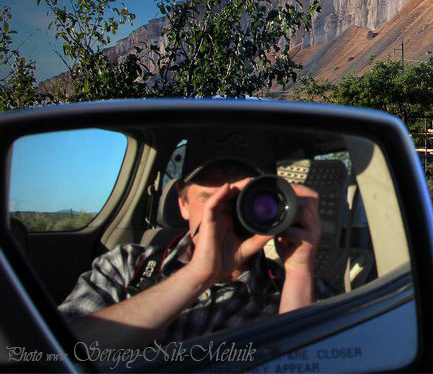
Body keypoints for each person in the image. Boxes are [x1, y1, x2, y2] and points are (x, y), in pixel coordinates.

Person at [59, 130, 323, 347]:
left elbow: (309, 361)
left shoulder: (298, 287)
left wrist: (299, 273)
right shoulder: (125, 266)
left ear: (277, 205)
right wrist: (197, 275)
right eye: (210, 199)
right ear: (182, 204)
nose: (227, 213)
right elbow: (56, 353)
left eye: (244, 201)